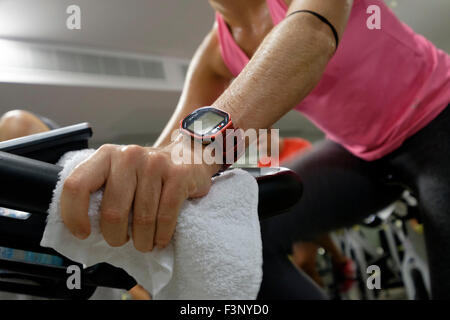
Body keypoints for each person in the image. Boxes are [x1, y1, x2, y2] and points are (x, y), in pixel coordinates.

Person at [1, 0, 449, 299]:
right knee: (244, 236)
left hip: (437, 118)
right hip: (359, 151)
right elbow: (165, 149)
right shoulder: (216, 51)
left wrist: (197, 150)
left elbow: (310, 37)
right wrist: (125, 203)